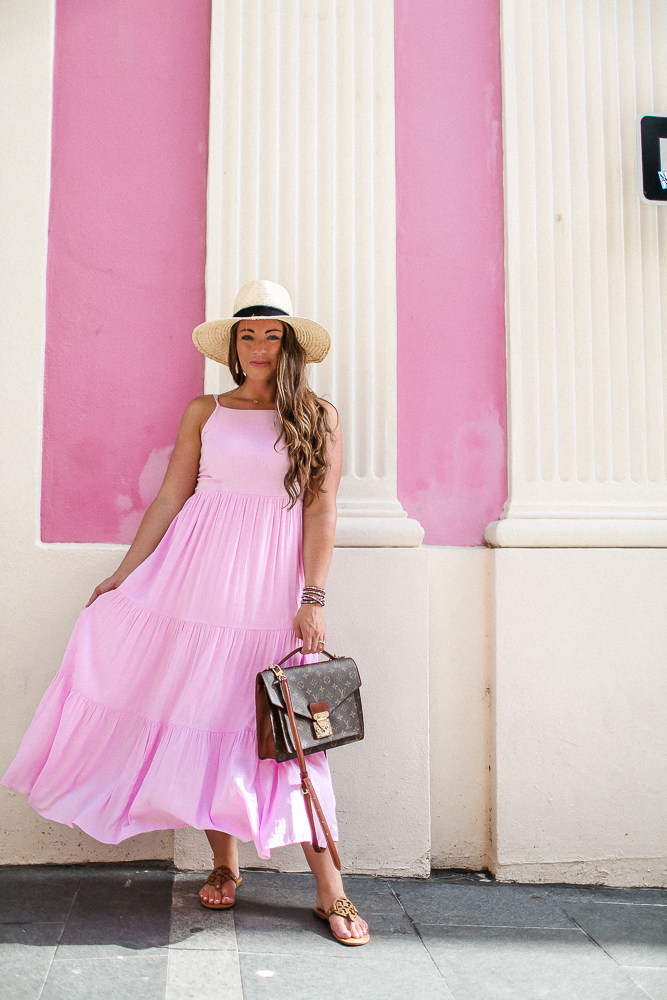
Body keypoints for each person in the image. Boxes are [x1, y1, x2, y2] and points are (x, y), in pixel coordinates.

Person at [2, 280, 369, 946]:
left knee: (294, 739)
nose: (257, 346)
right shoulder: (206, 410)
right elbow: (171, 500)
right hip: (193, 585)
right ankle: (224, 868)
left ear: (289, 347)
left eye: (270, 335)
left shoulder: (318, 415)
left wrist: (311, 598)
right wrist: (124, 575)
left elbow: (321, 510)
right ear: (233, 347)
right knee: (206, 722)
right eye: (247, 335)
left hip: (267, 597)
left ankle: (332, 894)